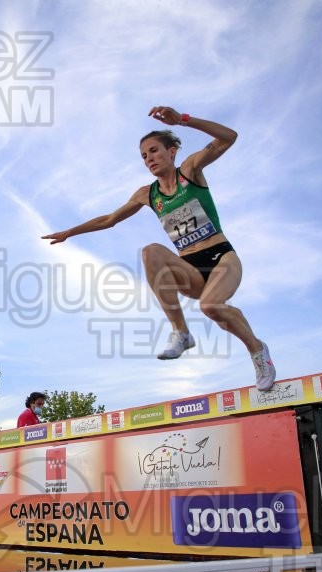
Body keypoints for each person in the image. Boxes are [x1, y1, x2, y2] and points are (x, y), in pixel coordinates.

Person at [43, 107, 275, 391]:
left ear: (172, 152)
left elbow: (229, 137)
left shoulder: (190, 170)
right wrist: (71, 232)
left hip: (222, 259)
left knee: (211, 306)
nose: (148, 159)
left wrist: (183, 120)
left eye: (153, 151)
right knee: (150, 251)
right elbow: (109, 219)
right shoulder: (147, 194)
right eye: (143, 156)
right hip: (191, 269)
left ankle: (257, 351)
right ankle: (181, 332)